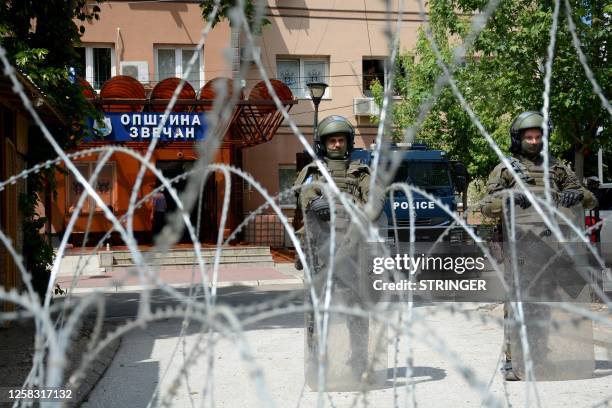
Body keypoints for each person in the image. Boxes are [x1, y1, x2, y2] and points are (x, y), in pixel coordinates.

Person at [480, 111, 598, 381]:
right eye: (528, 137)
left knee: (542, 306)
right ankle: (513, 361)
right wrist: (510, 197)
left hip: (551, 247)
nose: (533, 141)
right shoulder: (506, 169)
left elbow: (589, 199)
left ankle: (540, 357)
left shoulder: (557, 169)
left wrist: (576, 194)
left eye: (538, 136)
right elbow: (487, 206)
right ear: (518, 139)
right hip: (519, 248)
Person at [293, 115, 385, 388]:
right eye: (331, 140)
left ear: (348, 142)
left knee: (358, 311)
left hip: (354, 251)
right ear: (324, 144)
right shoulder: (314, 170)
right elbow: (302, 194)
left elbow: (376, 200)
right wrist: (316, 201)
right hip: (320, 250)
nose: (336, 144)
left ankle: (359, 363)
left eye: (340, 139)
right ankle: (318, 365)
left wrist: (354, 205)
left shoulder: (362, 172)